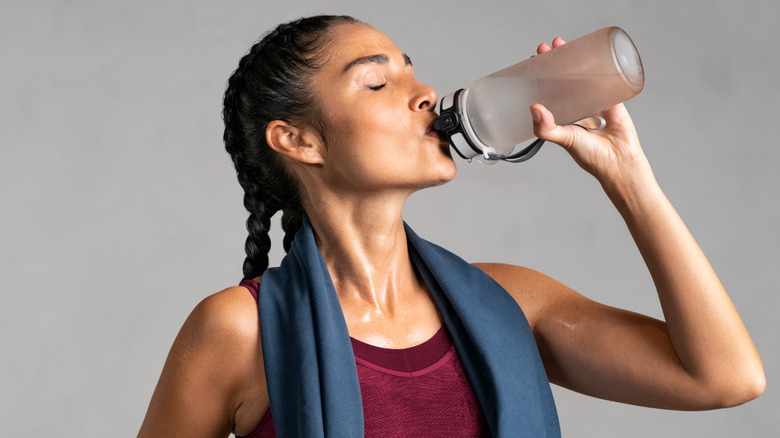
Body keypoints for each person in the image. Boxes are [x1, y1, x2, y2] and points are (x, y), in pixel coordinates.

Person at [138, 15, 765, 438]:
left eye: (413, 72)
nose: (425, 93)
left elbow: (725, 378)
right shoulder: (238, 330)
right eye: (379, 81)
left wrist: (630, 180)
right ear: (298, 139)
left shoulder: (510, 303)